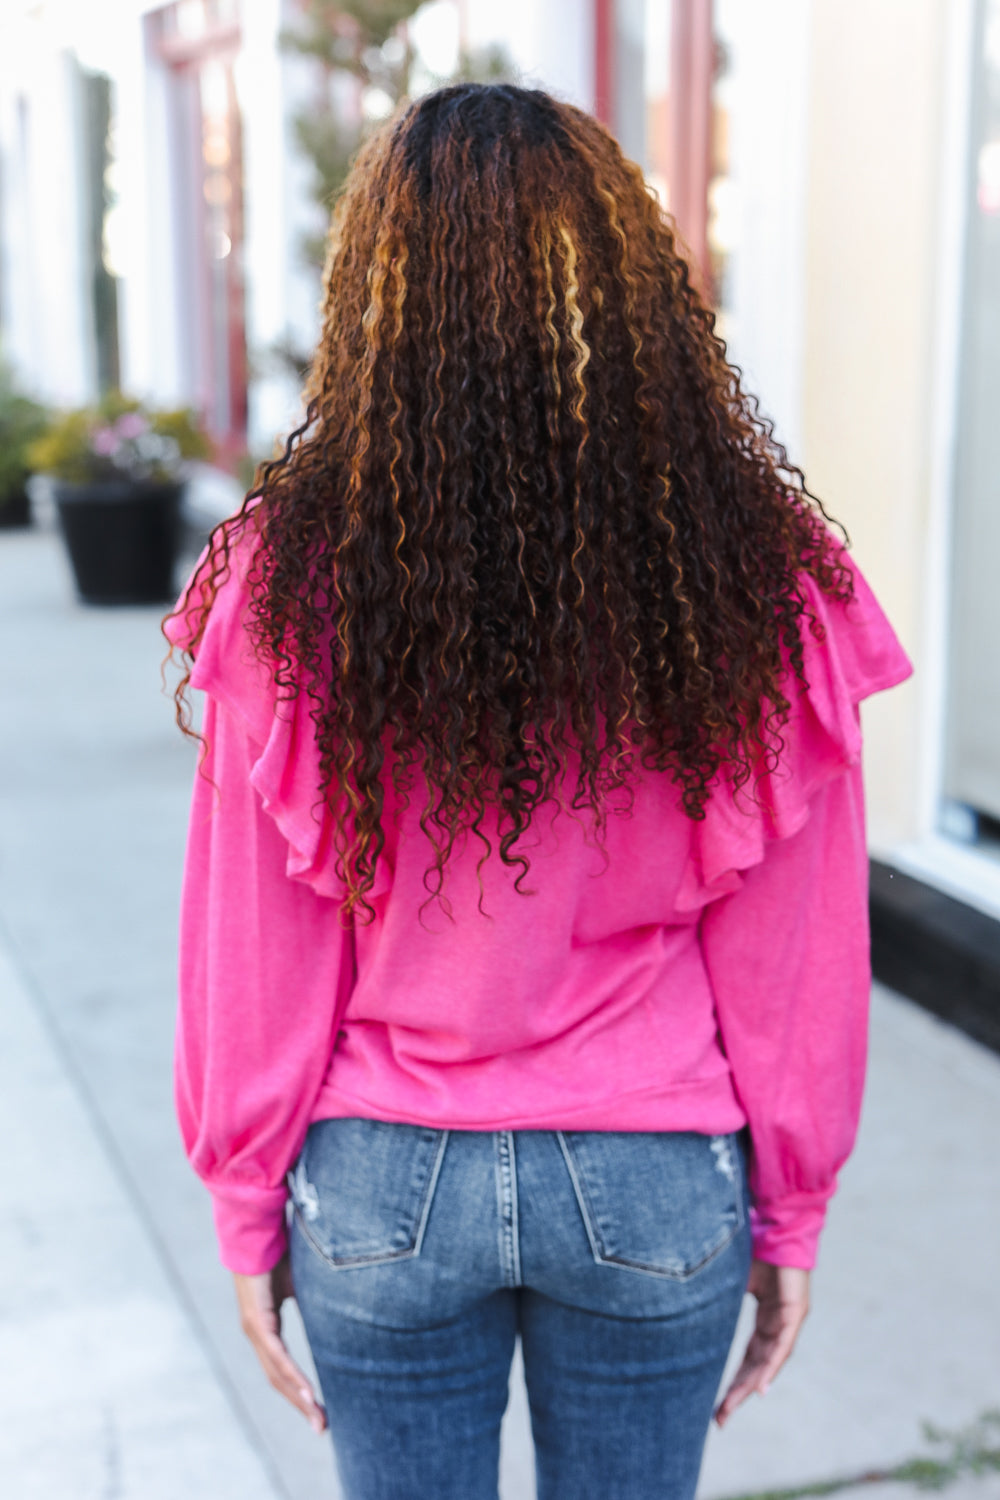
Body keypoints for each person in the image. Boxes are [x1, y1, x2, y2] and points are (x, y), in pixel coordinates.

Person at [165, 83, 912, 1500]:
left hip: (383, 1184)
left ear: (378, 298)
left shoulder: (291, 580)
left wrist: (244, 1197)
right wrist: (794, 1204)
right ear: (632, 290)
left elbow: (254, 949)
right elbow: (796, 951)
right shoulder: (757, 578)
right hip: (653, 1177)